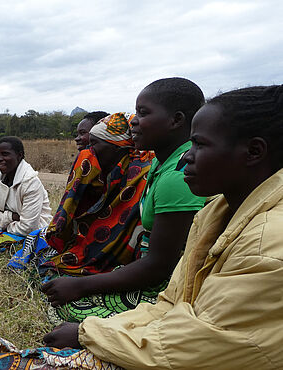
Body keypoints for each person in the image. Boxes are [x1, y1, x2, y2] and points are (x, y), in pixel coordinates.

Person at [0, 84, 283, 369]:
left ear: (253, 153)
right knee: (19, 252)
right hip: (159, 305)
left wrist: (89, 329)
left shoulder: (266, 241)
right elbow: (174, 304)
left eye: (93, 144)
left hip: (166, 312)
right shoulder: (217, 210)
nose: (188, 160)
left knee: (73, 318)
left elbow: (194, 332)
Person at [31, 79, 206, 324]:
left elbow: (159, 266)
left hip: (174, 285)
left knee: (69, 309)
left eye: (143, 113)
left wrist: (81, 286)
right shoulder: (160, 162)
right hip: (148, 269)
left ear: (176, 120)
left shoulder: (179, 176)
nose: (133, 120)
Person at [7, 113, 155, 322]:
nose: (89, 151)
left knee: (59, 295)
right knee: (38, 244)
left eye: (94, 143)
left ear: (118, 147)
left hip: (132, 271)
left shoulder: (140, 176)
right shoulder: (107, 170)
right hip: (101, 260)